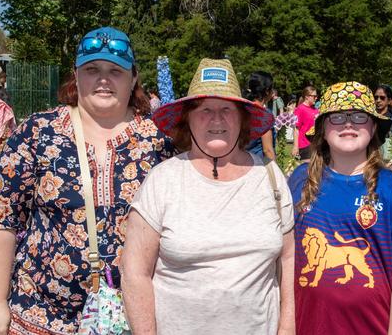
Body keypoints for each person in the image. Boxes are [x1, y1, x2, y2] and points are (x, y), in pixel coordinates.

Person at [0, 26, 173, 334]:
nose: (104, 80)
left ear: (134, 77)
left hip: (132, 319)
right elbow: (0, 218)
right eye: (92, 69)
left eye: (116, 71)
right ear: (76, 73)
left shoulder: (159, 141)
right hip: (39, 315)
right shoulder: (37, 132)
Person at [122, 58, 295, 334]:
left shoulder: (270, 178)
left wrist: (286, 330)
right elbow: (135, 274)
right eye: (205, 110)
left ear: (242, 118)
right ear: (187, 118)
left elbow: (287, 262)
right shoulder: (163, 180)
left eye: (227, 109)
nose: (217, 119)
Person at [288, 81, 392, 334]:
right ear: (323, 129)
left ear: (373, 127)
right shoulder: (299, 180)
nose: (348, 124)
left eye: (359, 117)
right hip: (308, 325)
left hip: (372, 326)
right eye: (337, 117)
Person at [244, 71, 276, 161]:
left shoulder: (242, 109)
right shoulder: (264, 115)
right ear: (266, 91)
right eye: (271, 88)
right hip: (258, 164)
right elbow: (268, 150)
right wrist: (275, 173)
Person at [292, 85, 319, 161]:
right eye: (314, 96)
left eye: (316, 96)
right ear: (307, 96)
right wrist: (295, 146)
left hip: (315, 144)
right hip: (304, 144)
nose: (316, 98)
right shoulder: (300, 109)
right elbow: (296, 129)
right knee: (307, 170)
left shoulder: (315, 109)